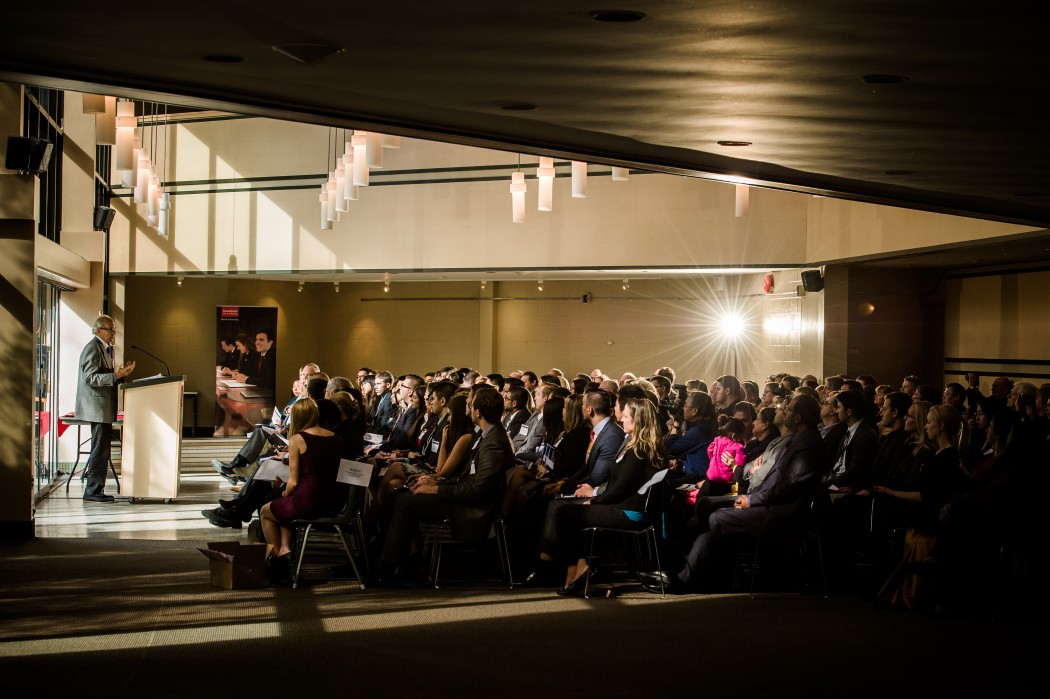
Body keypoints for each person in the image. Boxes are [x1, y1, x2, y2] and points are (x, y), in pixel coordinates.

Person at [374, 387, 515, 586]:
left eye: (471, 404)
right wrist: (436, 481)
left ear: (478, 412)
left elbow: (477, 491)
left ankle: (390, 568)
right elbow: (466, 478)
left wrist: (437, 489)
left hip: (473, 509)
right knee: (401, 493)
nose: (468, 406)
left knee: (406, 500)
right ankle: (386, 559)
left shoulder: (493, 443)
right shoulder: (486, 435)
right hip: (463, 497)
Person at [538, 398, 665, 595]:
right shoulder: (631, 443)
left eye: (626, 416)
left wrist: (595, 500)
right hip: (621, 505)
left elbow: (621, 487)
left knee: (566, 513)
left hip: (630, 512)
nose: (621, 419)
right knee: (565, 510)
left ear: (638, 420)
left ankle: (576, 569)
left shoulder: (641, 449)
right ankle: (580, 566)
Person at [259, 399, 346, 585]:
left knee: (266, 512)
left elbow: (294, 481)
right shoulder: (336, 437)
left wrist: (283, 492)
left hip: (308, 500)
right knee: (284, 511)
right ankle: (285, 551)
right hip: (333, 501)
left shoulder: (298, 439)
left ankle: (279, 560)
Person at [75, 315, 136, 502]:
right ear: (98, 330)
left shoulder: (105, 349)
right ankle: (93, 491)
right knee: (99, 450)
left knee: (102, 450)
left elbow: (104, 374)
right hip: (97, 408)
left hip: (103, 408)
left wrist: (120, 375)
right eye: (110, 330)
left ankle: (96, 489)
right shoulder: (92, 348)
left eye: (114, 330)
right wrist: (114, 376)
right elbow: (90, 378)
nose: (113, 333)